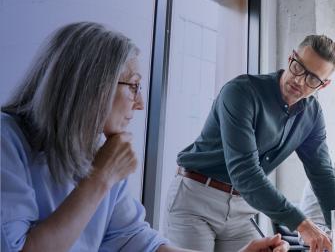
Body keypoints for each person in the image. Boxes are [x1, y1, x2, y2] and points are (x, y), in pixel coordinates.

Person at [0, 22, 290, 252]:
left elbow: (137, 242)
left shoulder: (99, 153)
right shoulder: (7, 140)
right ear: (92, 87)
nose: (139, 104)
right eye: (134, 87)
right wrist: (100, 178)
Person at [164, 35, 335, 252]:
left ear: (323, 85)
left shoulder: (312, 115)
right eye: (298, 66)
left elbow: (323, 177)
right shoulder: (241, 92)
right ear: (291, 57)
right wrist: (302, 224)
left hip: (241, 210)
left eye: (312, 78)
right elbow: (245, 171)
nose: (299, 80)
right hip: (197, 199)